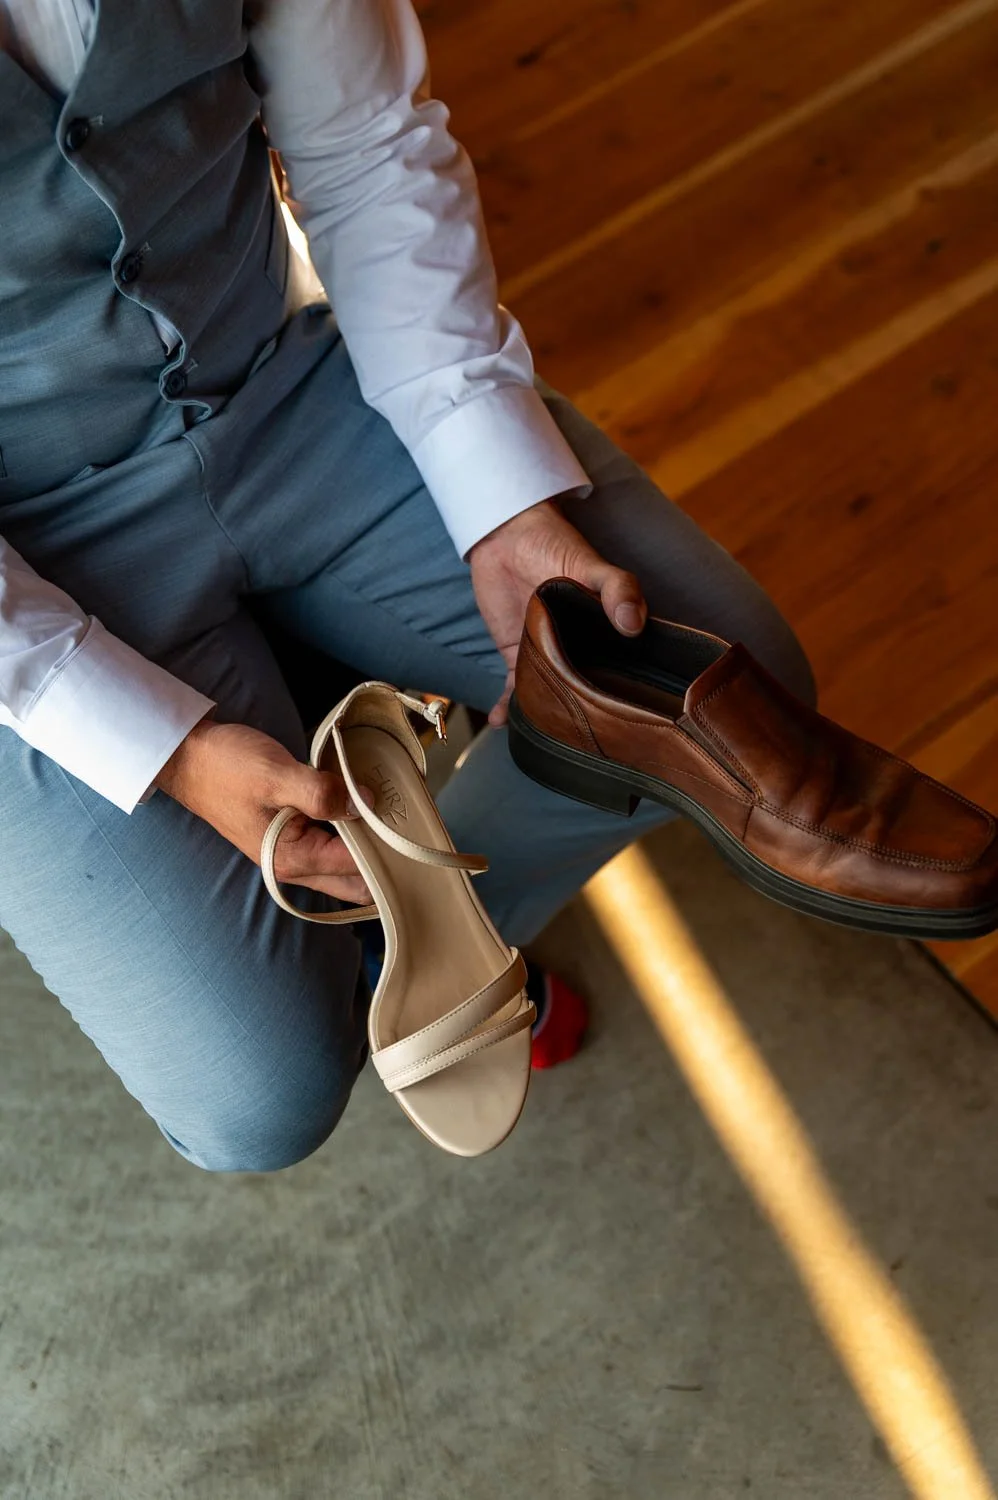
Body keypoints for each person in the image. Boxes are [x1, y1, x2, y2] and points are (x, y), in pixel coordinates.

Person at [0, 0, 816, 1171]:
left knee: (727, 700)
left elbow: (366, 141)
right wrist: (167, 752)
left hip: (280, 384)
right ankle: (342, 907)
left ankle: (412, 942)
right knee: (257, 1103)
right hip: (27, 550)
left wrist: (502, 502)